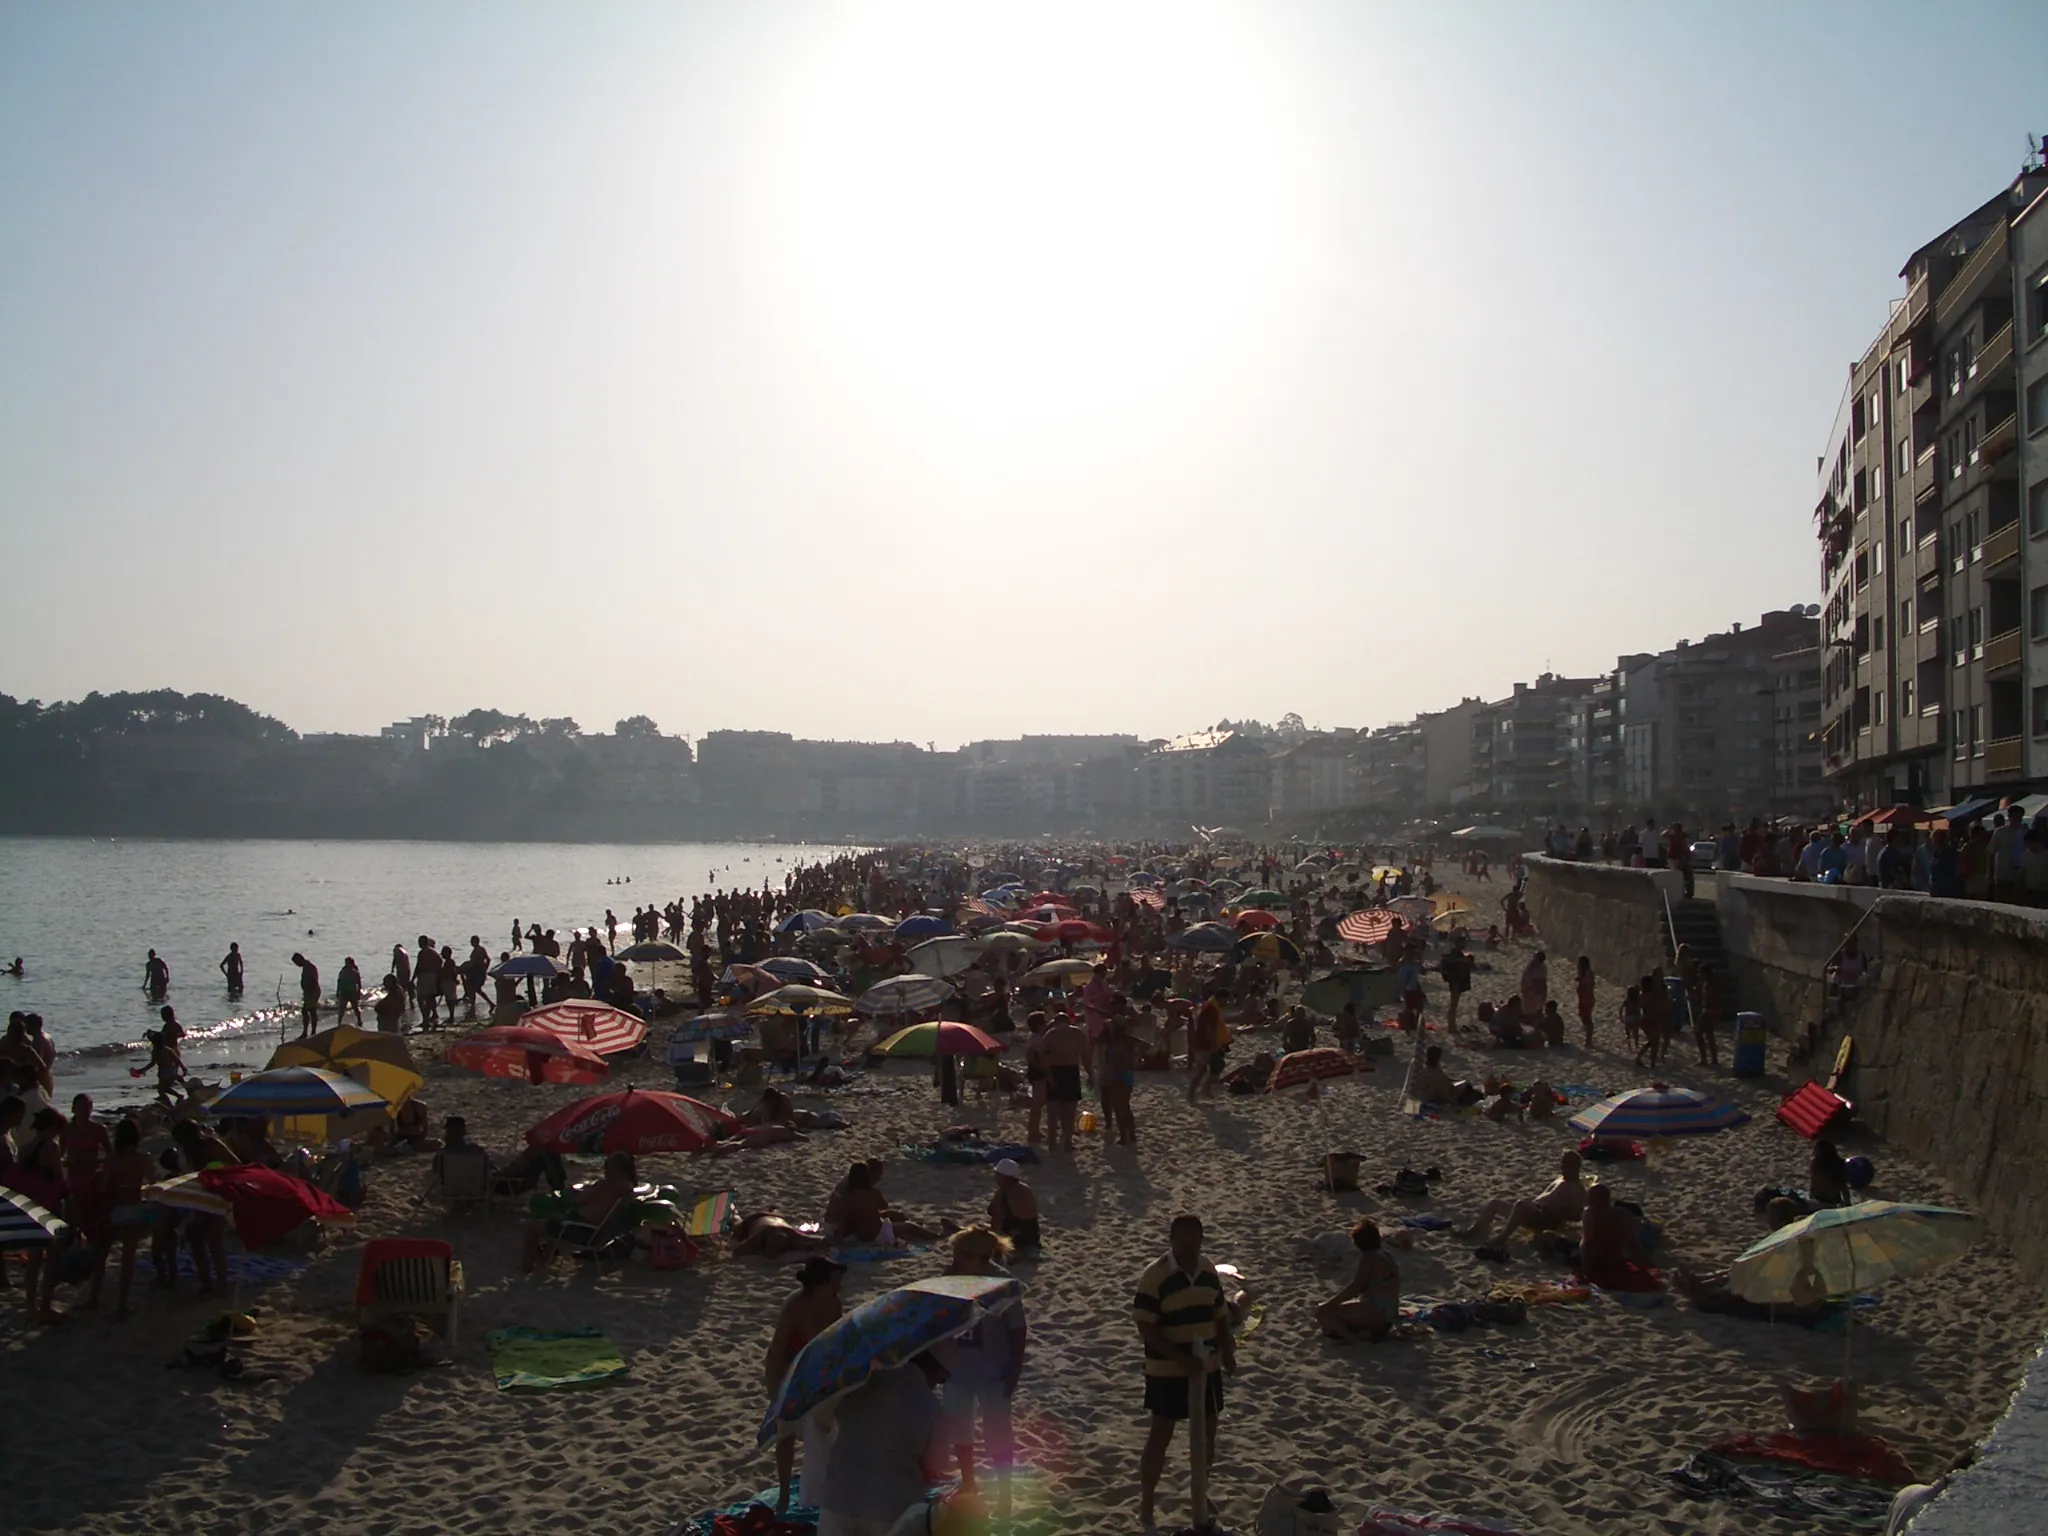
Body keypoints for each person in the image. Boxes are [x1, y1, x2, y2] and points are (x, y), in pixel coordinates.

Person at [1134, 1214, 1236, 1532]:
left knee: (1207, 1435)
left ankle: (1200, 1495)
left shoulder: (1207, 1269)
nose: (1191, 1251)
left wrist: (1227, 1349)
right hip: (1167, 1369)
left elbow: (1219, 1314)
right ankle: (1147, 1503)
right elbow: (1145, 1326)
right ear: (1172, 1241)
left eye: (1196, 1244)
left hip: (1206, 1366)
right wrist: (1179, 1358)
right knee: (1160, 1436)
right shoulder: (1156, 1275)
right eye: (1184, 1245)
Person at [940, 1227, 1028, 1516]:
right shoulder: (948, 1278)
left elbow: (1017, 1328)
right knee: (960, 1430)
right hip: (958, 1368)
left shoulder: (1002, 1283)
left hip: (994, 1369)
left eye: (960, 1256)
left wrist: (1014, 1365)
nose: (954, 1261)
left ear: (979, 1259)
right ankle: (969, 1483)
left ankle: (1005, 1494)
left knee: (999, 1434)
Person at [815, 1354, 948, 1536]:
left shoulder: (859, 1384)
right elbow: (936, 1465)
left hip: (838, 1497)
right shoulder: (930, 1405)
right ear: (933, 1373)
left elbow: (823, 1419)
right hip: (891, 1507)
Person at [764, 1256, 847, 1513]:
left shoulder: (835, 1305)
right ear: (820, 1284)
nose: (839, 1287)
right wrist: (777, 1388)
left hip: (818, 1371)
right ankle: (785, 1494)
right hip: (787, 1370)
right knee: (786, 1433)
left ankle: (827, 1486)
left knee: (826, 1429)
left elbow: (835, 1345)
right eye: (835, 1282)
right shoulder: (796, 1306)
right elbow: (777, 1351)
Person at [520, 1151, 638, 1271]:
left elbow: (577, 1200)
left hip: (583, 1231)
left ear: (619, 1169)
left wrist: (578, 1193)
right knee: (555, 1224)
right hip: (600, 1233)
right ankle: (543, 1262)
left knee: (531, 1226)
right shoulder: (628, 1188)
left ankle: (526, 1269)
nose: (605, 1171)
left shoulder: (604, 1186)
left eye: (608, 1167)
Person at [85, 1115, 155, 1317]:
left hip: (114, 1209)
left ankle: (93, 1299)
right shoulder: (144, 1158)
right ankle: (122, 1304)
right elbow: (153, 1184)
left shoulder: (112, 1159)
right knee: (128, 1258)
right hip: (134, 1208)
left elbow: (102, 1188)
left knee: (102, 1255)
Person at [1460, 1150, 1586, 1244]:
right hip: (1536, 1212)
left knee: (1521, 1205)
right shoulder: (1562, 1178)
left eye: (1565, 1164)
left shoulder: (1576, 1188)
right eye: (1562, 1163)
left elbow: (1576, 1215)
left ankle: (1501, 1238)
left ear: (1574, 1167)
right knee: (1495, 1203)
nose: (1561, 1166)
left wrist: (1556, 1211)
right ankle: (1474, 1230)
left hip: (1546, 1219)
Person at [1315, 1218, 1400, 1341]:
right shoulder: (1386, 1255)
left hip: (1376, 1312)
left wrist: (1330, 1304)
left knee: (1324, 1313)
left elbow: (1355, 1288)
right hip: (1390, 1312)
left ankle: (1350, 1338)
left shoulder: (1369, 1259)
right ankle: (1365, 1333)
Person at [1576, 1183, 1661, 1291]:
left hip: (1598, 1264)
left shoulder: (1591, 1215)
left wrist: (1586, 1271)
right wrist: (1643, 1269)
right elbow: (1633, 1245)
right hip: (1614, 1261)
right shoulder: (1623, 1215)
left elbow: (1587, 1245)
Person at [1039, 1011, 1086, 1152]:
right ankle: (1067, 1142)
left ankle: (1052, 1142)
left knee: (1053, 1111)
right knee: (1070, 1111)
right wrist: (1090, 1073)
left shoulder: (1051, 1034)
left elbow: (1042, 1056)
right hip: (1072, 1070)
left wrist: (1049, 1076)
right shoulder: (1078, 1033)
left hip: (1055, 1070)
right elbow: (1086, 1055)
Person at [1100, 1009, 1139, 1145]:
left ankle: (1124, 1136)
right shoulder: (1129, 1040)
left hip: (1117, 1075)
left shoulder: (1113, 1043)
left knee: (1118, 1108)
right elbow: (1146, 1045)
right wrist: (1136, 1059)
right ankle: (1132, 1134)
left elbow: (1111, 1063)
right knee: (1126, 1106)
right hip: (1128, 1074)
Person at [987, 1159, 1041, 1252]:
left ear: (1005, 1177)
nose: (995, 1177)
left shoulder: (1006, 1192)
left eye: (997, 1175)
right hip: (1032, 1237)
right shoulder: (1024, 1188)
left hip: (1015, 1239)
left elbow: (997, 1218)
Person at [1186, 987, 1228, 1103]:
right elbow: (1209, 1029)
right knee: (1201, 1070)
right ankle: (1191, 1095)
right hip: (1204, 1043)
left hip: (1203, 1042)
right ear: (1221, 998)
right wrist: (1213, 1044)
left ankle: (1206, 1090)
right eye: (1226, 1000)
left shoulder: (1210, 1005)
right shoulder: (1212, 1009)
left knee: (1215, 1068)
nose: (1226, 1003)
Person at [1439, 942, 1473, 1030]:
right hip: (1455, 982)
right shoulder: (1455, 957)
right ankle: (1451, 1026)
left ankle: (1452, 1025)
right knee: (1453, 1005)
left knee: (1454, 1005)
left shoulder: (1454, 956)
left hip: (1456, 982)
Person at [1809, 1138, 1850, 1208]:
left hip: (1826, 1201)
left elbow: (1814, 1183)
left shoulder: (1817, 1164)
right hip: (1830, 1199)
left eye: (1816, 1149)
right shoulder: (1839, 1164)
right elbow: (1844, 1187)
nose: (1813, 1152)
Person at [290, 952, 321, 1039]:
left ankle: (308, 1031)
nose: (296, 965)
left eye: (296, 963)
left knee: (306, 1011)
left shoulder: (309, 967)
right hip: (309, 992)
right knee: (311, 1010)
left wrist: (307, 988)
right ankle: (311, 1031)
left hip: (312, 992)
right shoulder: (307, 967)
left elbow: (313, 980)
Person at [335, 956, 365, 1026]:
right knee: (341, 1009)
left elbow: (359, 983)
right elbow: (339, 982)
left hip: (352, 992)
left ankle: (359, 1020)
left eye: (348, 963)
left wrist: (358, 992)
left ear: (351, 964)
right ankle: (339, 1023)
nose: (346, 964)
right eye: (346, 963)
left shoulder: (355, 972)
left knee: (355, 1008)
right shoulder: (343, 971)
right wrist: (337, 991)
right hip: (344, 992)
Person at [1574, 956, 1596, 1047]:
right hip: (1583, 998)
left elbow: (1590, 983)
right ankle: (1588, 1039)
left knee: (1587, 1018)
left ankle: (1589, 1040)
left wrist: (1581, 980)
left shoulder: (1587, 973)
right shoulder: (1583, 973)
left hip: (1587, 999)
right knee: (1584, 1017)